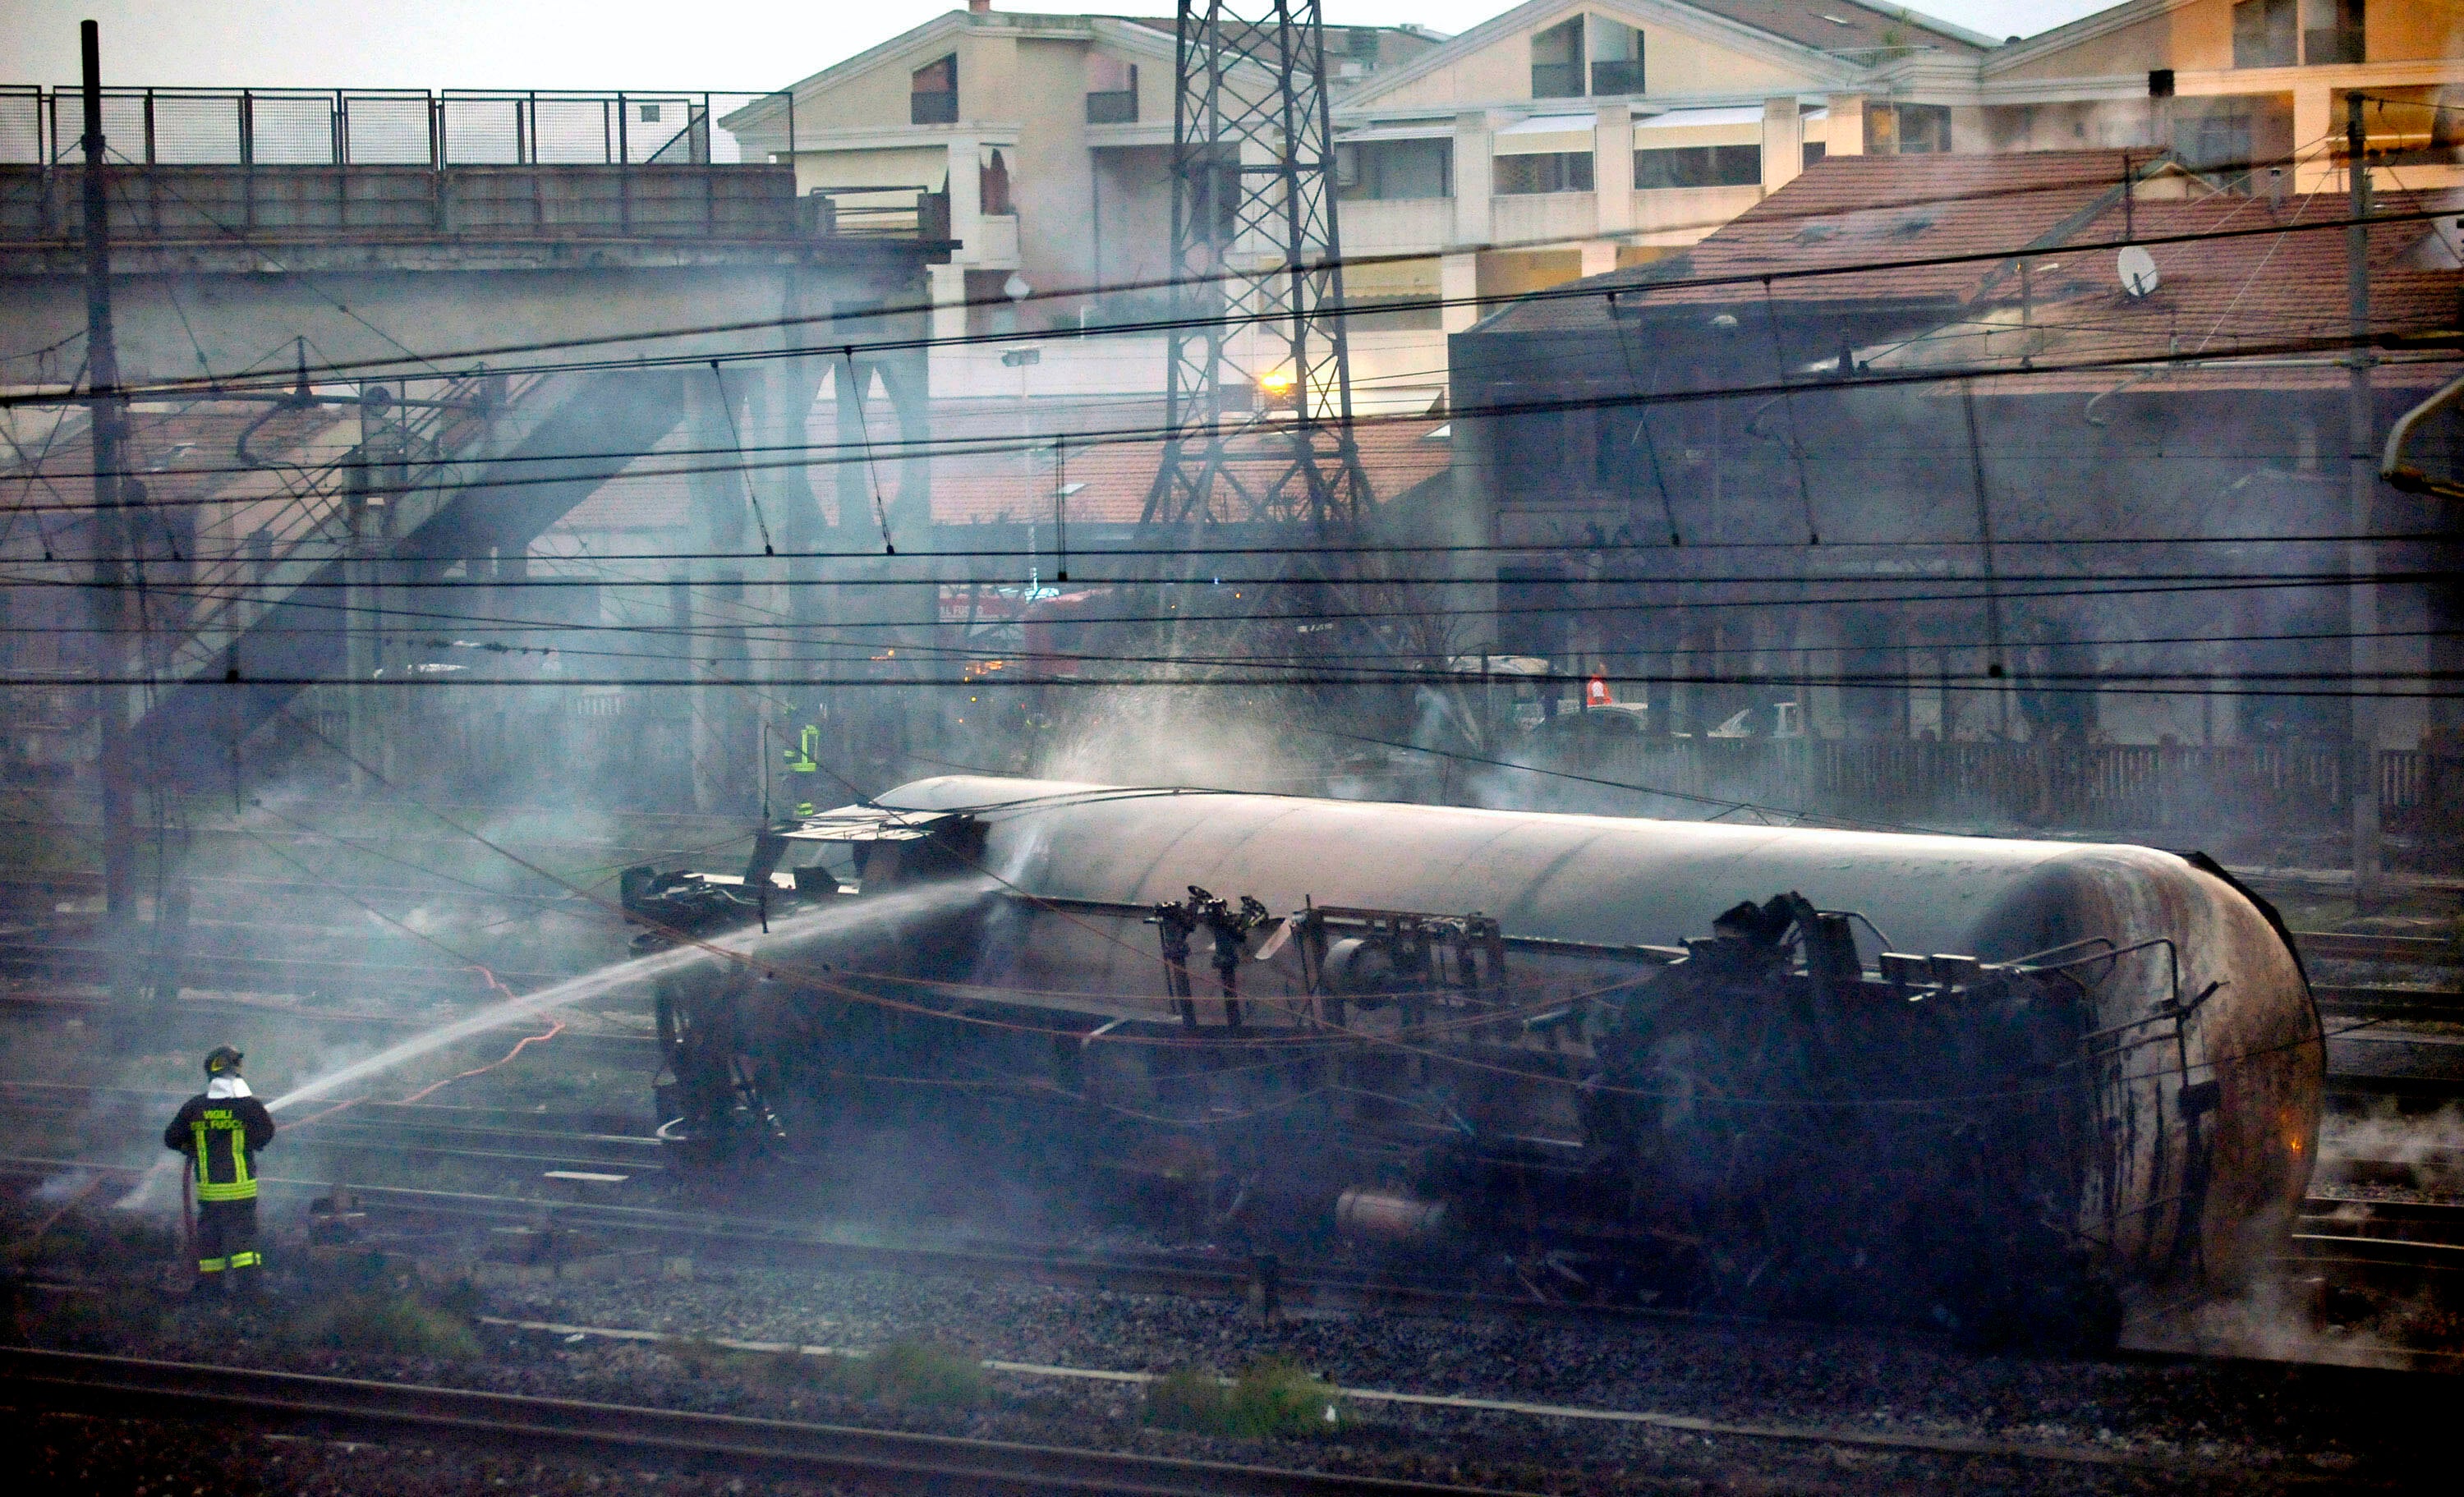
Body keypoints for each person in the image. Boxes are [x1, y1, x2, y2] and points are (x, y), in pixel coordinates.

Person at [163, 1045, 275, 1293]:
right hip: (241, 1194)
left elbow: (171, 1139)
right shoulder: (249, 1107)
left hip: (210, 1196)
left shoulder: (195, 1108)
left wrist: (189, 1145)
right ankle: (249, 1295)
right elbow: (265, 1137)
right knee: (245, 1249)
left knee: (210, 1248)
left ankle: (211, 1294)